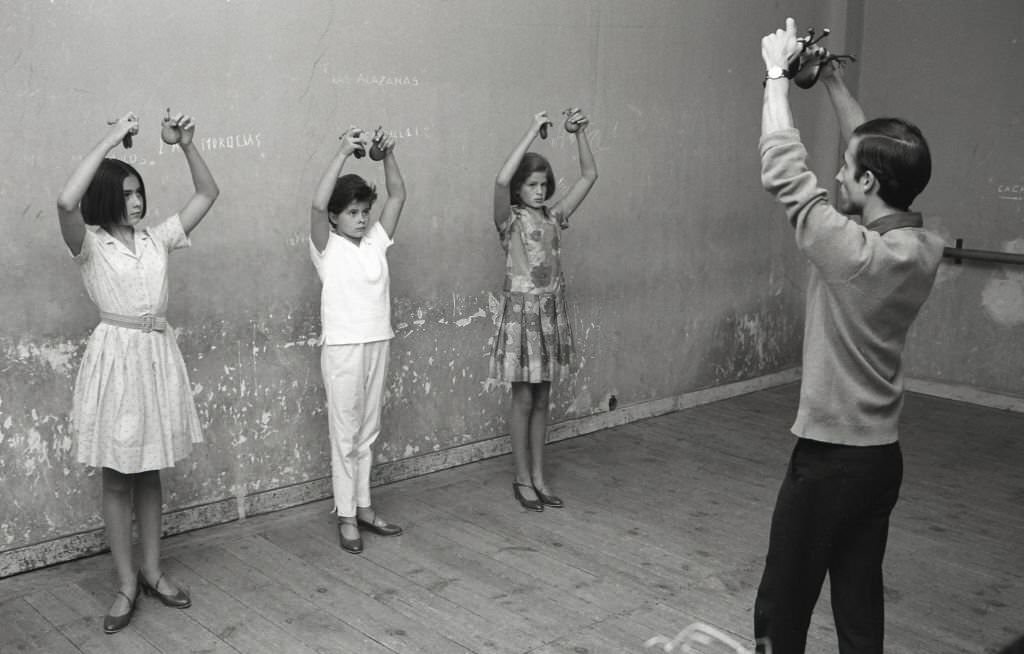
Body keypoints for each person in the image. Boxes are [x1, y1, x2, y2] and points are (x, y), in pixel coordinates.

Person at [754, 19, 946, 654]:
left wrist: (777, 76)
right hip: (879, 461)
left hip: (829, 459)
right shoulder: (919, 247)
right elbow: (872, 153)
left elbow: (785, 173)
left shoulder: (854, 256)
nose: (838, 175)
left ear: (868, 185)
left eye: (847, 170)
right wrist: (832, 76)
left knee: (783, 605)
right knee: (859, 606)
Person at [56, 111, 219, 633]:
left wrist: (187, 146)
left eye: (138, 191)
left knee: (149, 471)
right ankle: (125, 582)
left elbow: (207, 194)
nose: (136, 200)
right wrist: (111, 139)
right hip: (116, 359)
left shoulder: (157, 239)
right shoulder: (89, 245)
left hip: (155, 355)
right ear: (107, 197)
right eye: (126, 192)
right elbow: (65, 201)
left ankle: (152, 571)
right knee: (117, 474)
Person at [489, 109, 598, 511]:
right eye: (532, 184)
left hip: (549, 316)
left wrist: (580, 134)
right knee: (522, 399)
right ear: (520, 189)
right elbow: (501, 180)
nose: (539, 190)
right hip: (522, 316)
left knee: (542, 399)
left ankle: (538, 474)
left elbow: (589, 176)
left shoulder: (554, 216)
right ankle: (522, 477)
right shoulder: (510, 221)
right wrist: (532, 131)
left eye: (543, 184)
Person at [310, 125, 406, 554]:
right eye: (352, 212)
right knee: (345, 434)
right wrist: (343, 152)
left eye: (365, 210)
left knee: (368, 431)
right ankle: (345, 513)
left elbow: (399, 195)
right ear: (335, 216)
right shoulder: (325, 247)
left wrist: (385, 156)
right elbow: (315, 203)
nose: (362, 218)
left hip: (377, 341)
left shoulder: (375, 243)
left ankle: (364, 506)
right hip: (344, 348)